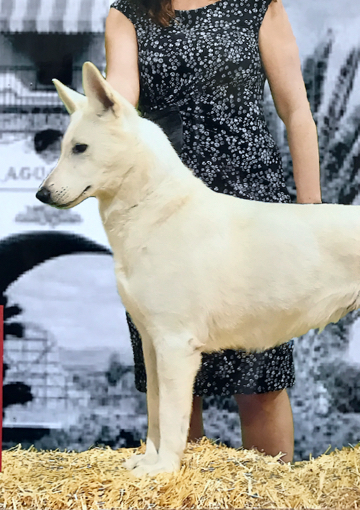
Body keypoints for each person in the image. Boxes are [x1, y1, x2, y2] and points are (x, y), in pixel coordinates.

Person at [104, 0, 321, 462]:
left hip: (252, 210)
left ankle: (272, 495)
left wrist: (312, 211)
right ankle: (181, 489)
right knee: (173, 374)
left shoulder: (260, 6)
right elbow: (118, 109)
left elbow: (296, 110)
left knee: (262, 380)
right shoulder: (126, 14)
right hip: (163, 211)